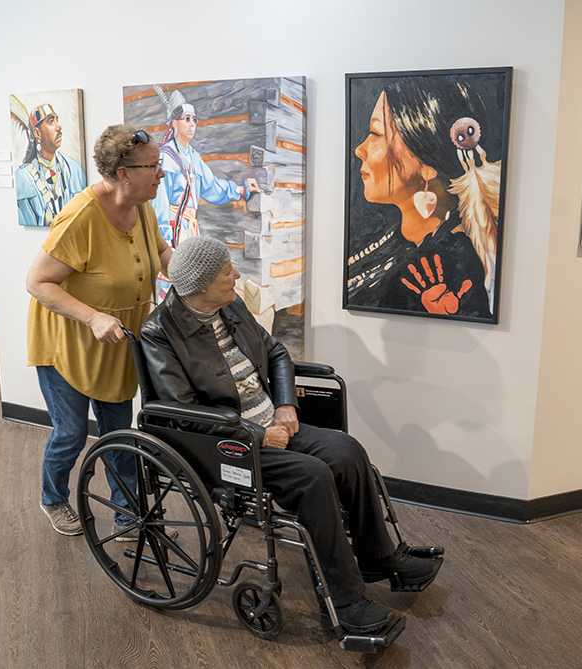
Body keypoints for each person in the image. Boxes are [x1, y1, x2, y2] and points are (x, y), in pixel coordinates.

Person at [140, 236, 440, 635]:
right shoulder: (160, 331)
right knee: (312, 476)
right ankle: (345, 604)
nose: (236, 274)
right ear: (199, 286)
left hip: (273, 423)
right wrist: (257, 433)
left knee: (348, 450)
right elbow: (187, 411)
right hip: (228, 444)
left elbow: (277, 352)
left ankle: (378, 556)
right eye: (226, 272)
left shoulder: (230, 304)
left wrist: (285, 405)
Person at [26, 124, 172, 536]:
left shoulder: (141, 206)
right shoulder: (81, 217)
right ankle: (53, 498)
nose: (161, 173)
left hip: (118, 343)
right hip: (69, 342)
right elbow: (38, 282)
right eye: (154, 166)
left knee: (121, 435)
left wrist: (193, 278)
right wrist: (92, 317)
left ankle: (129, 515)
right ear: (124, 172)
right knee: (70, 434)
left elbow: (161, 253)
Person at [346, 76, 499, 318]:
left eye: (376, 133)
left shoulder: (446, 266)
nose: (359, 149)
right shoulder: (382, 229)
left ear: (427, 166)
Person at [150, 87, 259, 295]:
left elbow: (212, 187)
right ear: (174, 123)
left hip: (190, 229)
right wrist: (164, 242)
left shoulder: (193, 157)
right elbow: (159, 205)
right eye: (186, 119)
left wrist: (241, 189)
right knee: (171, 283)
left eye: (194, 119)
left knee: (191, 284)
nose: (191, 124)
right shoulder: (165, 159)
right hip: (172, 230)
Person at [17, 103, 88, 226]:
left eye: (57, 120)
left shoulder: (74, 169)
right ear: (37, 133)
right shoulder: (23, 178)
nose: (59, 127)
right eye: (51, 121)